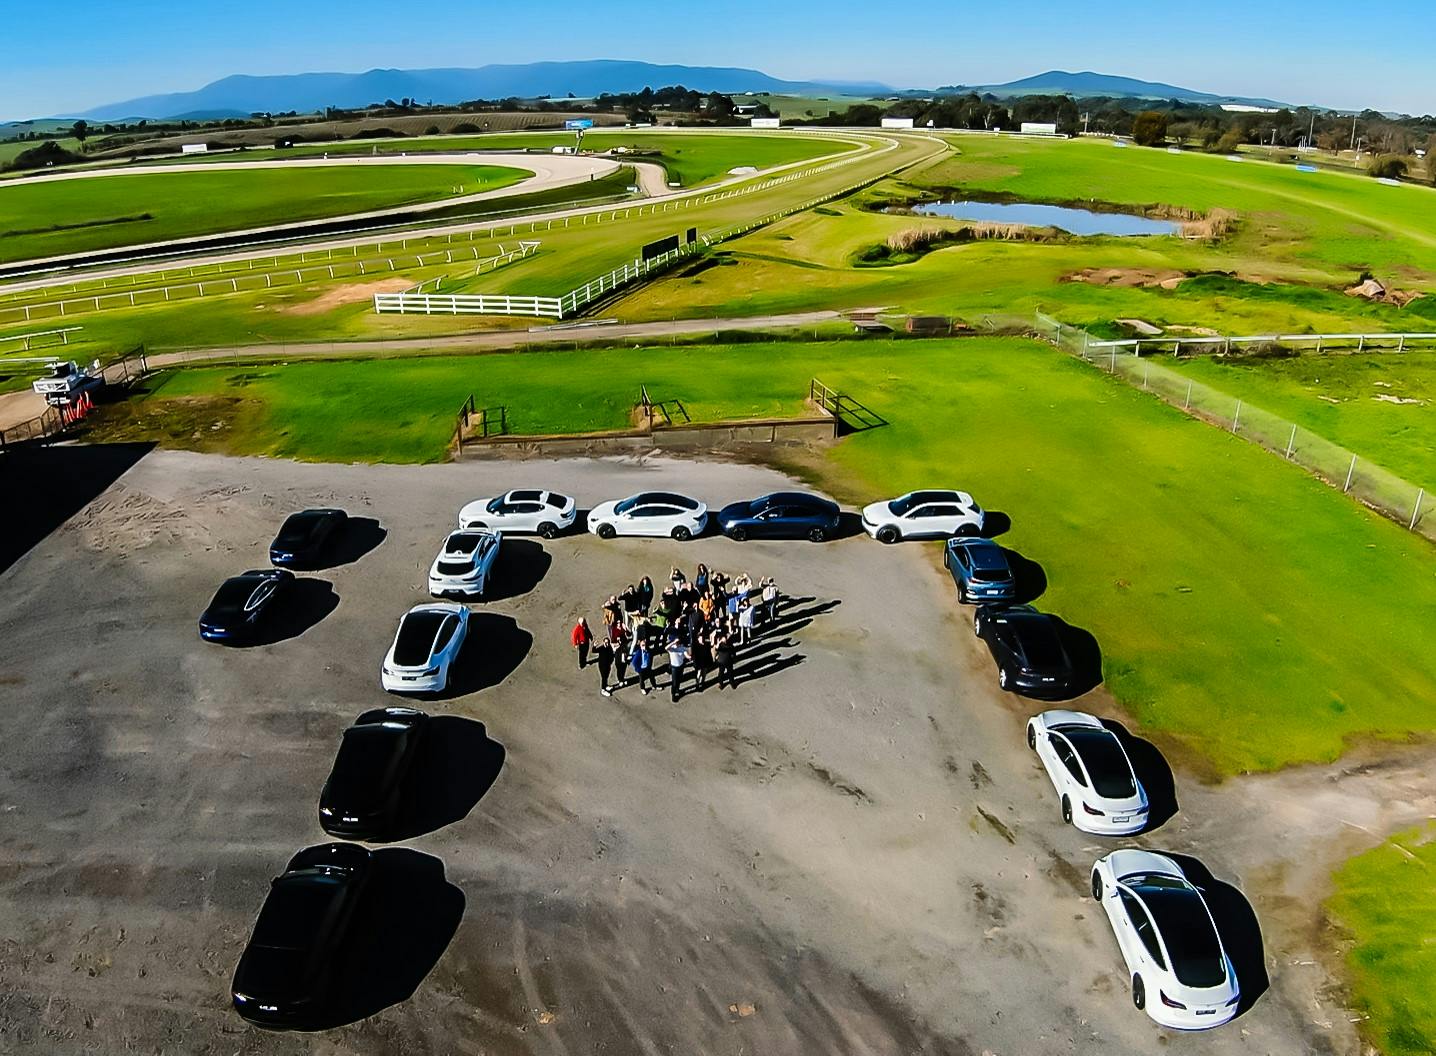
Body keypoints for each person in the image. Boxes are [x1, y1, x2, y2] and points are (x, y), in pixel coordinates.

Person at [666, 633, 689, 702]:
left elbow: (687, 655)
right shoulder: (671, 649)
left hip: (681, 666)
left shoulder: (682, 648)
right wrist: (673, 642)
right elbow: (666, 648)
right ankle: (673, 694)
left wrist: (690, 657)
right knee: (674, 682)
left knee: (679, 679)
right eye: (676, 642)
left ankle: (677, 690)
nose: (677, 643)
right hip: (674, 667)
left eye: (678, 642)